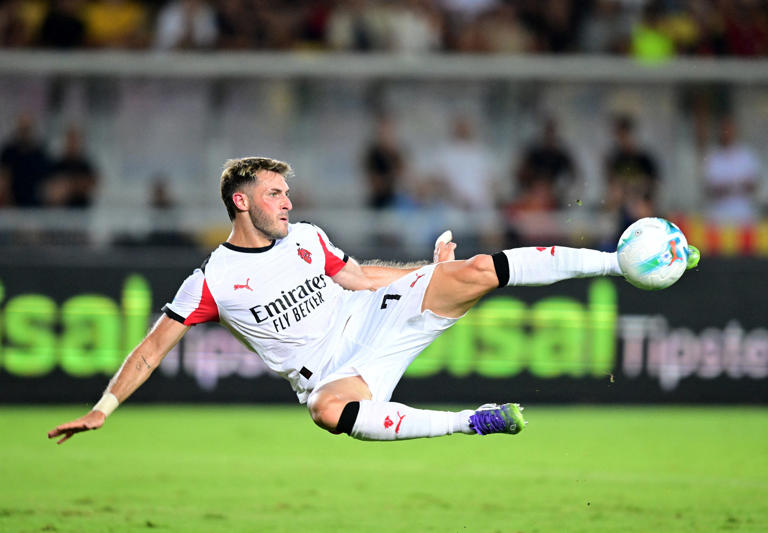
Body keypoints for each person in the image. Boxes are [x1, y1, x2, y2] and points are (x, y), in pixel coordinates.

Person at [50, 156, 649, 445]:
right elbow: (151, 350)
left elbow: (360, 278)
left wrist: (427, 270)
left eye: (287, 192)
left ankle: (615, 262)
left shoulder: (307, 238)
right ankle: (474, 421)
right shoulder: (213, 279)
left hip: (375, 317)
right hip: (336, 375)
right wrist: (103, 407)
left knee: (474, 270)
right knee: (327, 412)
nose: (288, 201)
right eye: (275, 193)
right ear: (241, 202)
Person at [702, 115, 762, 224]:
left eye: (730, 129)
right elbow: (709, 188)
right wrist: (731, 187)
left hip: (743, 214)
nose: (727, 133)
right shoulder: (713, 156)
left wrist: (736, 186)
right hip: (719, 214)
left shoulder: (746, 155)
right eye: (724, 129)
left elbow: (754, 184)